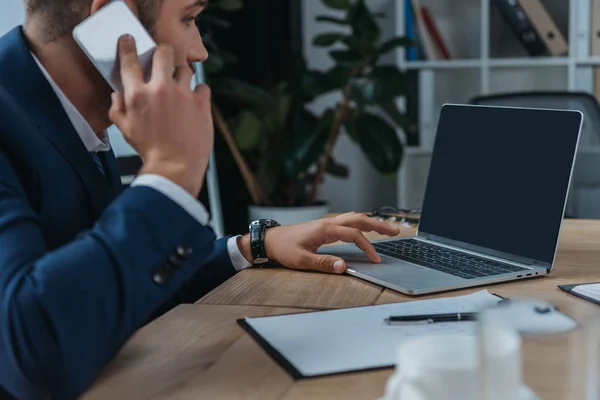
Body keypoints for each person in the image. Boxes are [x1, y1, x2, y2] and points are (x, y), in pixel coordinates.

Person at [0, 0, 400, 398]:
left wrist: (254, 246)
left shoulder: (77, 118)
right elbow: (30, 354)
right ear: (112, 19)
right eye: (189, 19)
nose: (200, 51)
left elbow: (105, 287)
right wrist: (170, 175)